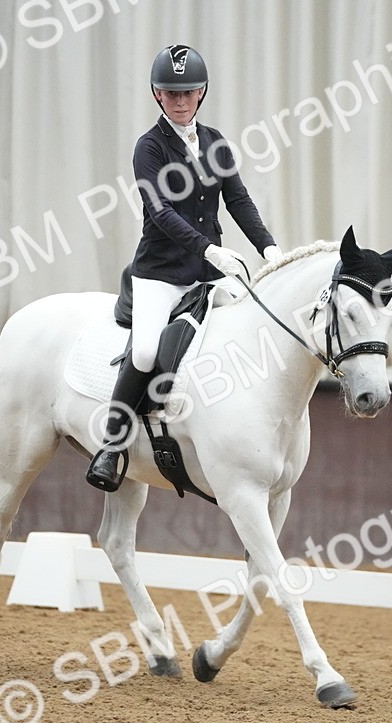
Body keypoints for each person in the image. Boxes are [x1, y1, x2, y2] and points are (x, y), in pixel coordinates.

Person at [86, 44, 283, 492]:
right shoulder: (149, 148)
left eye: (188, 92)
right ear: (157, 95)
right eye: (170, 93)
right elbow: (160, 212)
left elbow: (237, 200)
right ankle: (112, 446)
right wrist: (210, 250)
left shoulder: (215, 143)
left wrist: (269, 249)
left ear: (202, 92)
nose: (179, 101)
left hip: (208, 274)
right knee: (143, 353)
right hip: (159, 273)